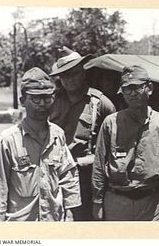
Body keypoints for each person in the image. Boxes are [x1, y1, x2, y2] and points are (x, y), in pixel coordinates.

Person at [0, 67, 81, 221]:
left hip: (52, 223)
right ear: (23, 101)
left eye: (47, 98)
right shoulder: (8, 140)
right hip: (22, 228)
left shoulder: (57, 135)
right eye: (35, 98)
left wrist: (70, 211)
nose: (42, 104)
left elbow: (68, 175)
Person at [92, 65, 159, 221]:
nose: (131, 94)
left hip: (151, 204)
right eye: (126, 89)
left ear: (149, 88)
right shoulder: (111, 122)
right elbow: (99, 165)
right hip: (117, 202)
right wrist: (97, 202)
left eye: (136, 88)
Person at [49, 47, 116, 220]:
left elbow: (113, 145)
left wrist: (91, 160)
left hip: (85, 177)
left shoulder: (100, 103)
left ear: (83, 73)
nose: (69, 79)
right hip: (54, 174)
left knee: (84, 223)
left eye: (74, 73)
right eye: (64, 75)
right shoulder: (52, 101)